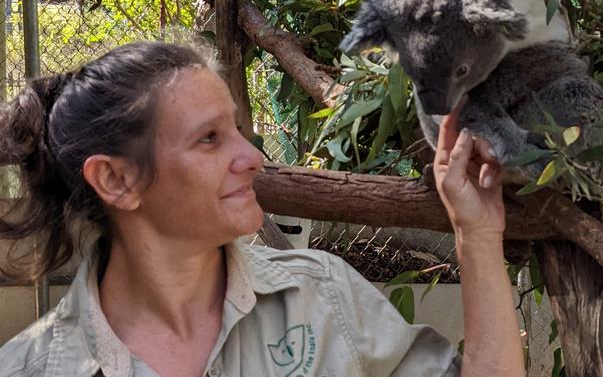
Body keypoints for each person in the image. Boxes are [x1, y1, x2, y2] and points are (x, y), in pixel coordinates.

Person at [0, 42, 524, 377]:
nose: (253, 159)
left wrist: (476, 235)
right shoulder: (33, 367)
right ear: (116, 180)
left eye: (239, 131)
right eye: (210, 139)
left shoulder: (323, 298)